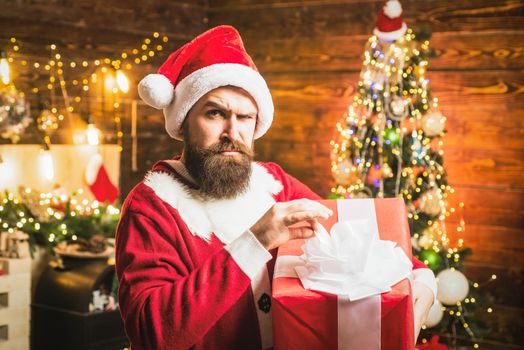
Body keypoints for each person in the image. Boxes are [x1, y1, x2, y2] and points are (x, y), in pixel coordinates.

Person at [115, 25, 436, 350]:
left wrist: (422, 279)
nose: (232, 131)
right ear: (183, 122)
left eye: (245, 117)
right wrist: (255, 241)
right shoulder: (152, 206)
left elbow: (354, 233)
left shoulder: (274, 183)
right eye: (215, 113)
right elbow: (152, 333)